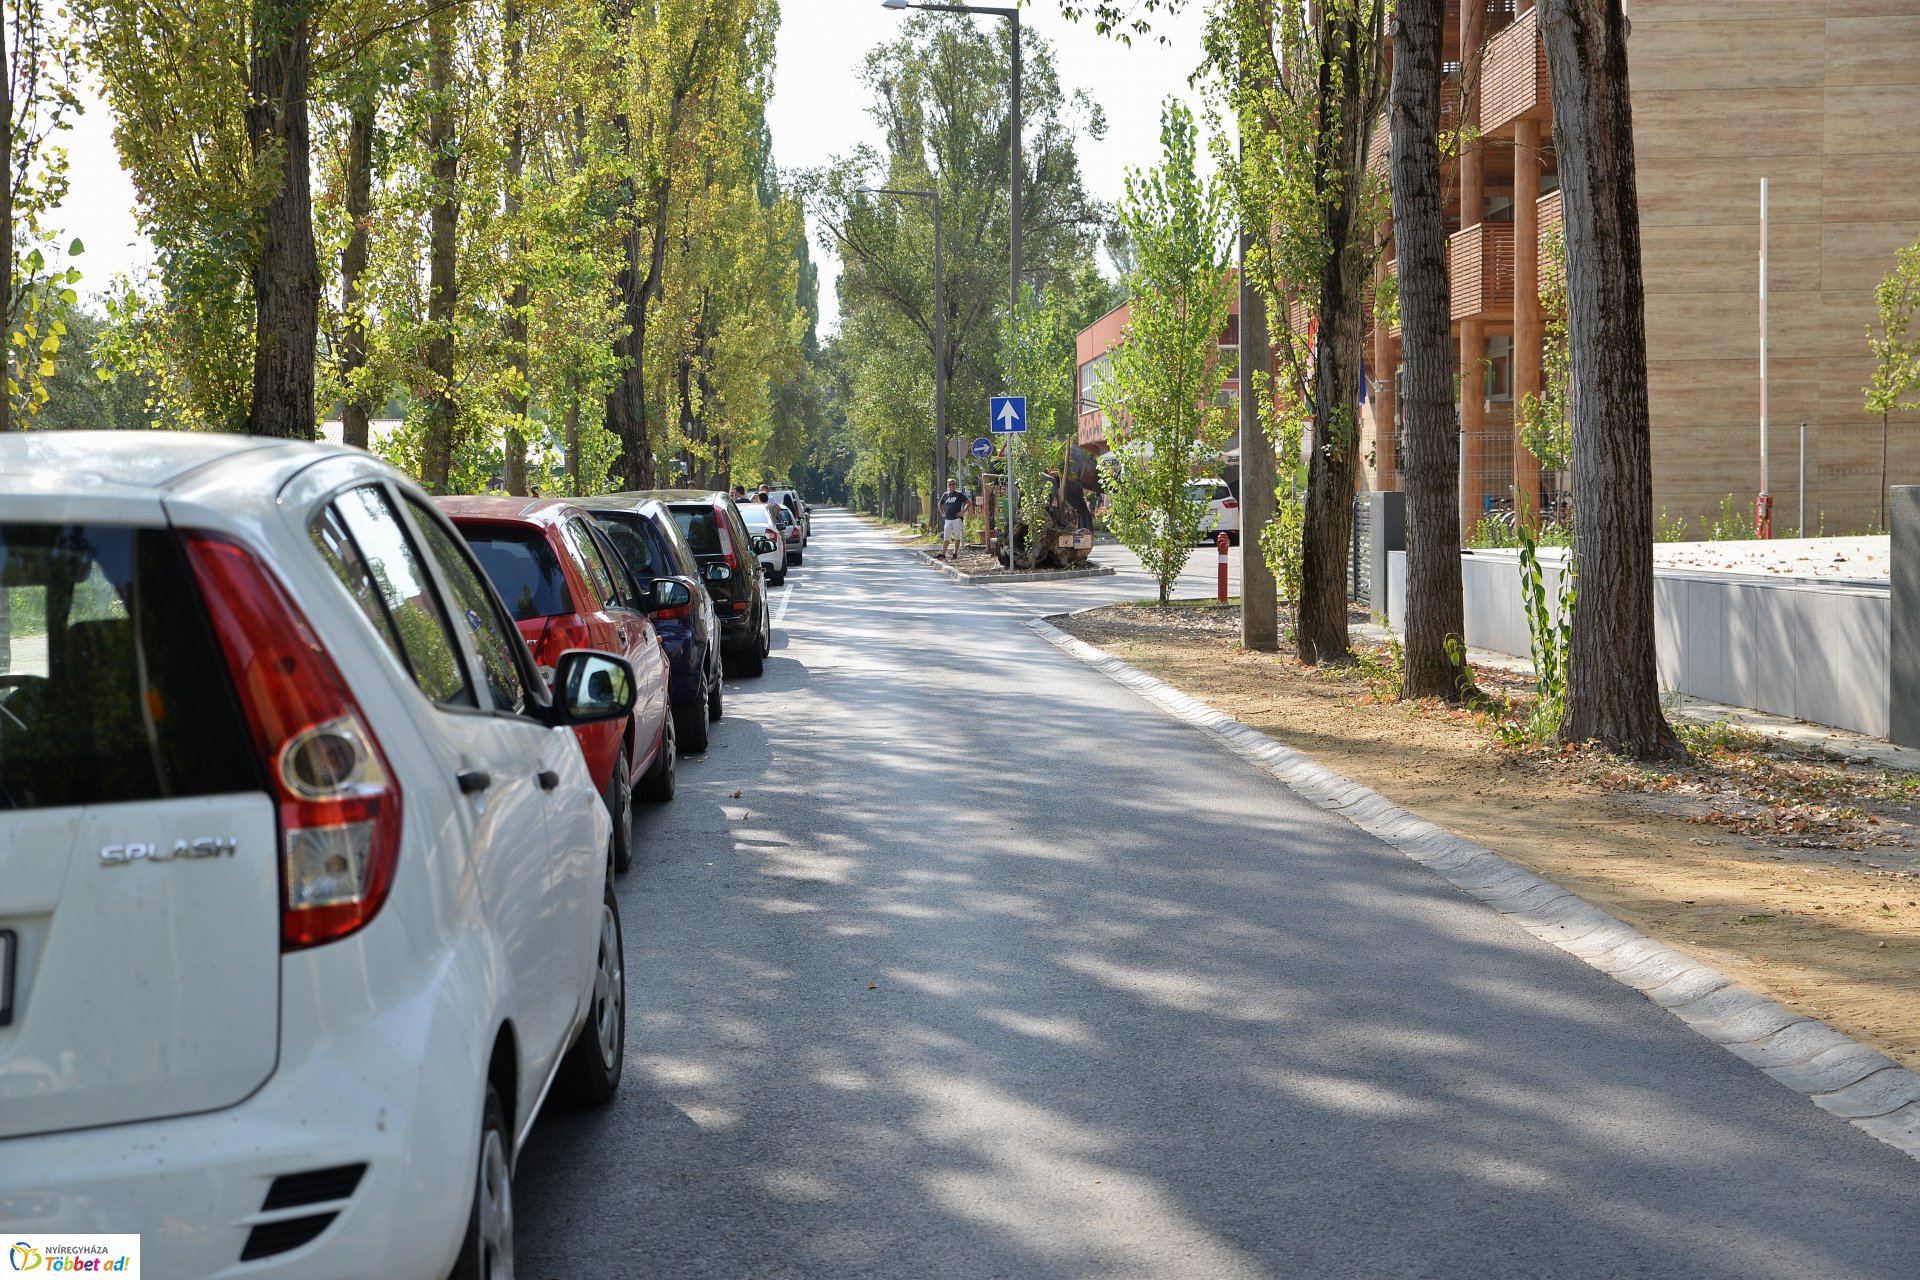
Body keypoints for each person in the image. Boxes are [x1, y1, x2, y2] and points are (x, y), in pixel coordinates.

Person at [936, 478, 970, 560]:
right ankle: (943, 554)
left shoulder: (959, 494)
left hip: (957, 519)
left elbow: (969, 502)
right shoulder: (945, 495)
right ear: (947, 485)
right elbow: (940, 504)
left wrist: (963, 511)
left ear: (955, 485)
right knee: (946, 537)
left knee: (957, 537)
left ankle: (955, 553)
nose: (951, 486)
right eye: (949, 484)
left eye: (952, 484)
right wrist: (942, 513)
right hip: (948, 519)